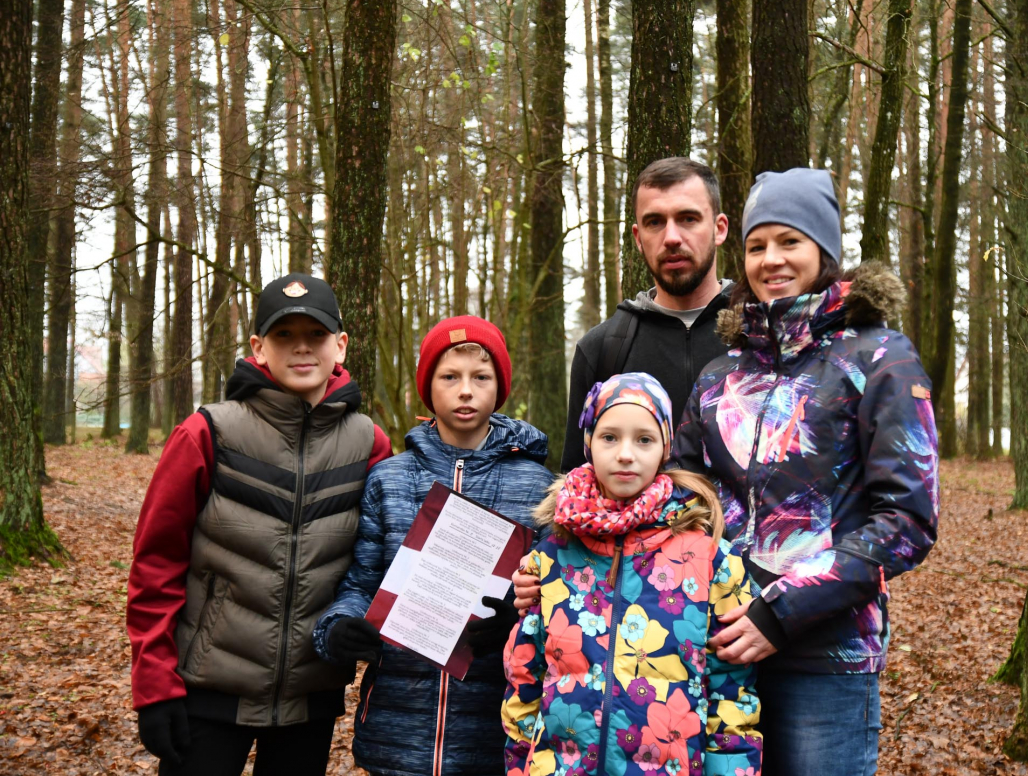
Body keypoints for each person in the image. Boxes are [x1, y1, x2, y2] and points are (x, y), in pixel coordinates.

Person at [671, 168, 940, 776]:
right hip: (719, 650)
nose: (771, 259)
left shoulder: (879, 357)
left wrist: (780, 612)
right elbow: (679, 496)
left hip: (827, 658)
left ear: (824, 250)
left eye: (789, 241)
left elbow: (908, 519)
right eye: (758, 244)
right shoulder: (722, 376)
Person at [126, 272, 394, 776]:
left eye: (315, 335)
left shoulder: (369, 443)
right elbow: (155, 566)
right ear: (258, 347)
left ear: (340, 345)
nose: (301, 349)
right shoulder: (207, 432)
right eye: (283, 336)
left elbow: (380, 558)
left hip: (310, 701)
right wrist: (154, 688)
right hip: (206, 694)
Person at [312, 316, 556, 776]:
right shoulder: (389, 479)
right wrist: (339, 625)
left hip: (495, 728)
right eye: (450, 377)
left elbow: (560, 601)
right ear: (428, 388)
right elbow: (361, 580)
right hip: (396, 727)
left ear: (499, 386)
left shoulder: (537, 487)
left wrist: (518, 624)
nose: (466, 391)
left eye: (480, 377)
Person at [501, 372, 762, 776]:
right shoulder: (553, 554)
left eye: (644, 439)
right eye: (610, 437)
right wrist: (521, 764)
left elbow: (732, 685)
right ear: (588, 444)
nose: (626, 453)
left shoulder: (710, 559)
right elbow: (524, 671)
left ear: (664, 448)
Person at [561, 157, 733, 473]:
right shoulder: (602, 350)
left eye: (688, 219)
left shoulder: (760, 334)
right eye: (655, 222)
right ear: (639, 239)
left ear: (719, 229)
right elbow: (575, 487)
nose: (671, 237)